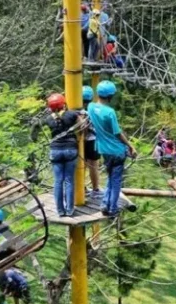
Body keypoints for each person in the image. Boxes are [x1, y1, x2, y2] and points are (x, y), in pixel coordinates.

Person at [88, 81, 137, 216]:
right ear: (110, 96)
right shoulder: (110, 112)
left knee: (110, 177)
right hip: (117, 150)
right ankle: (112, 208)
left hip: (104, 150)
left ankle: (105, 204)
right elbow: (117, 133)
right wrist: (130, 145)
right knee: (115, 182)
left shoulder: (91, 107)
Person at [43, 93, 81, 216]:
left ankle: (60, 210)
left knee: (58, 181)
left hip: (55, 150)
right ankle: (70, 210)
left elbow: (36, 126)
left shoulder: (48, 119)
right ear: (63, 104)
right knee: (69, 180)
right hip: (70, 149)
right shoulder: (71, 114)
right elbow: (83, 124)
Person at [82, 86, 100, 193]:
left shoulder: (79, 110)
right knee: (94, 166)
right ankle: (95, 188)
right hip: (94, 140)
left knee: (82, 165)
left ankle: (82, 187)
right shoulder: (96, 109)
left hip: (83, 141)